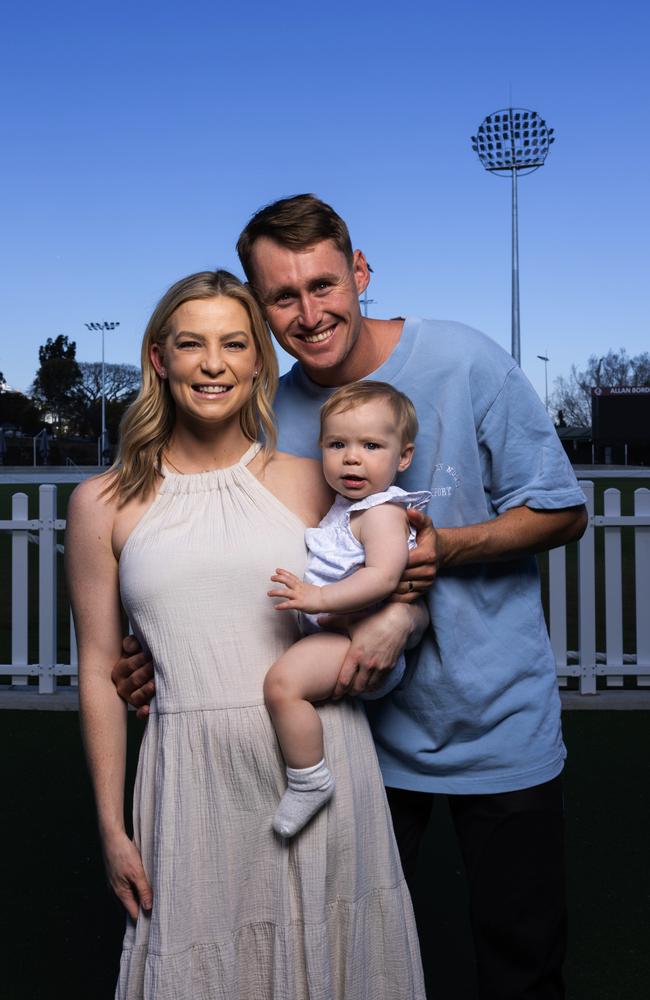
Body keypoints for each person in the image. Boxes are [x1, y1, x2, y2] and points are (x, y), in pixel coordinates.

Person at [114, 196, 587, 1000]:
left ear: (359, 273)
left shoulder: (464, 360)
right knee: (345, 959)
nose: (309, 313)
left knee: (521, 961)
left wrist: (432, 555)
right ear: (262, 311)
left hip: (496, 723)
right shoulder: (269, 417)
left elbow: (563, 510)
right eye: (282, 298)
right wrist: (159, 651)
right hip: (353, 739)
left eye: (324, 285)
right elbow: (240, 559)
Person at [67, 269, 426, 1000]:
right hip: (192, 782)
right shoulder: (100, 503)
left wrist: (400, 617)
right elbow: (100, 667)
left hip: (322, 770)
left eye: (234, 343)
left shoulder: (315, 479)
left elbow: (405, 575)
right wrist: (111, 827)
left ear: (258, 360)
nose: (213, 362)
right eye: (191, 344)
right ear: (158, 358)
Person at [265, 380, 431, 838]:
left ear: (404, 457)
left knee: (282, 686)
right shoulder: (346, 507)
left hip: (354, 640)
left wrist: (316, 598)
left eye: (371, 446)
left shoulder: (383, 512)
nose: (351, 457)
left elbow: (382, 576)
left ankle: (309, 779)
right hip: (335, 632)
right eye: (337, 444)